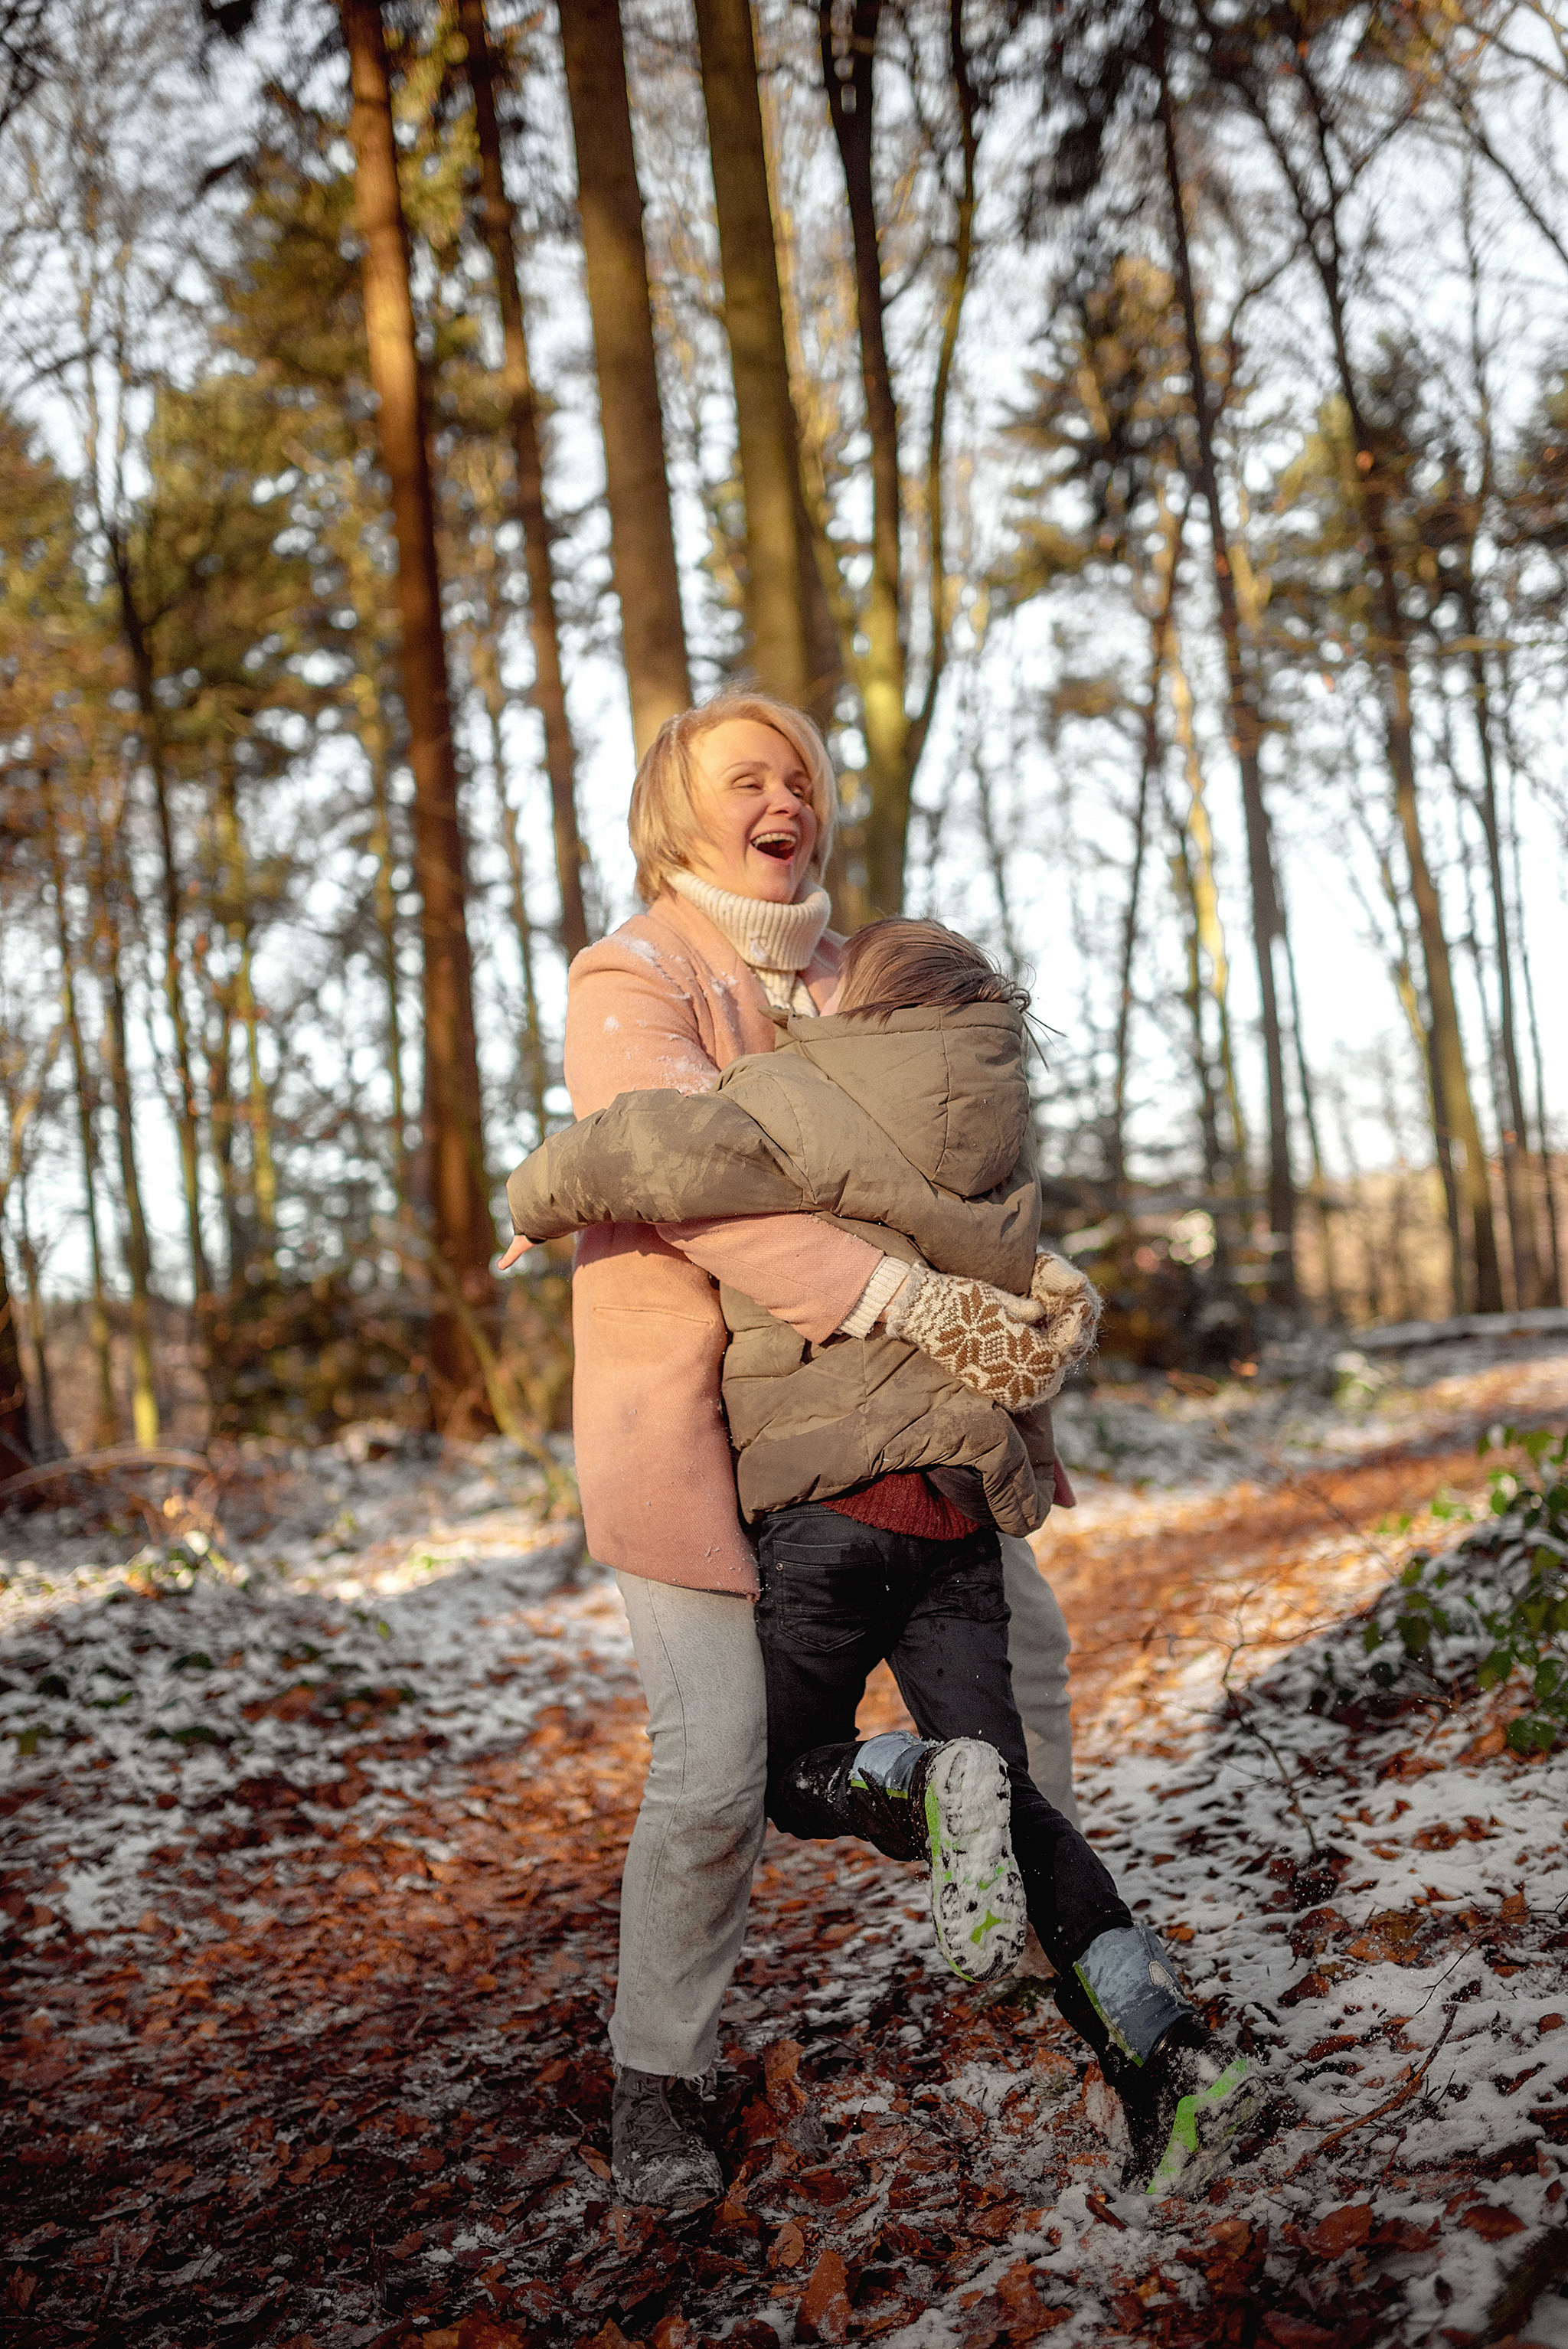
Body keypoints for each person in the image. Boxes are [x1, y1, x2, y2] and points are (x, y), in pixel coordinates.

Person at [505, 917, 1258, 2197]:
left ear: (868, 1008)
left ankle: (916, 1780)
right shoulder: (996, 1134)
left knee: (787, 1774)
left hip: (829, 1512)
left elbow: (647, 1147)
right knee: (1018, 1814)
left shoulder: (807, 1099)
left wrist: (532, 1200)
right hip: (958, 1513)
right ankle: (1169, 2061)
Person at [498, 695, 1083, 2210]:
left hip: (889, 1417)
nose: (784, 797)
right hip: (695, 1431)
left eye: (801, 775)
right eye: (745, 777)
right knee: (714, 1769)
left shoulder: (865, 972)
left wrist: (1021, 1290)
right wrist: (907, 1291)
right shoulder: (632, 975)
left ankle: (1028, 1944)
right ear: (678, 815)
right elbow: (715, 1191)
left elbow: (941, 1155)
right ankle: (660, 2078)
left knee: (1030, 1655)